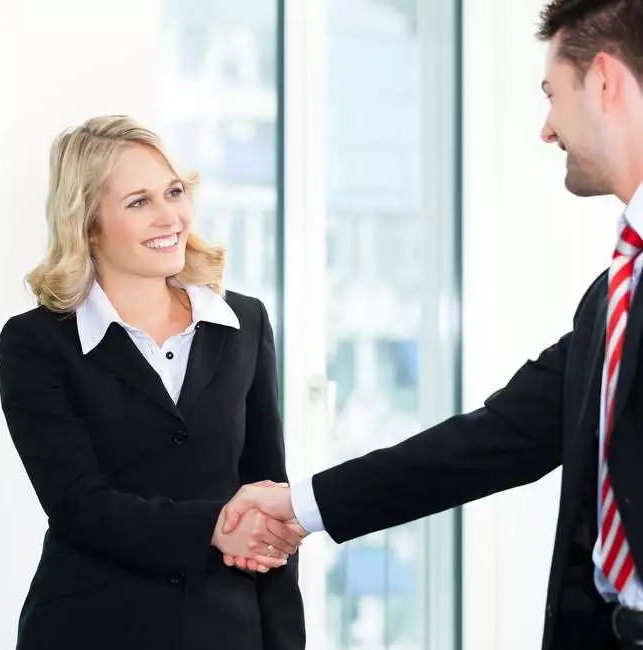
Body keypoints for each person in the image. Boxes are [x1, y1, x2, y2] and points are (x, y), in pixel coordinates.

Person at [220, 0, 643, 648]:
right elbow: (498, 439)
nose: (547, 129)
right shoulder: (614, 295)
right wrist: (302, 507)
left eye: (552, 94)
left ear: (606, 81)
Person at [0, 115, 306, 650]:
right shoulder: (37, 342)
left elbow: (268, 501)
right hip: (91, 628)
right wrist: (211, 526)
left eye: (174, 192)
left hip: (228, 633)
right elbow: (77, 504)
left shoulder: (244, 324)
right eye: (139, 202)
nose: (171, 217)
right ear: (88, 222)